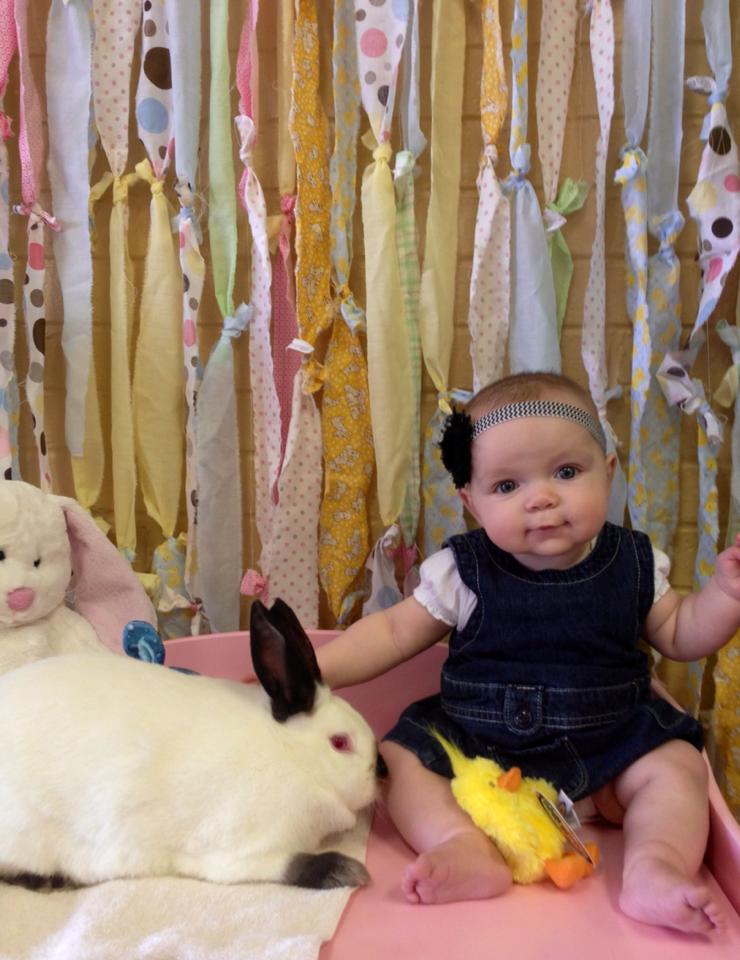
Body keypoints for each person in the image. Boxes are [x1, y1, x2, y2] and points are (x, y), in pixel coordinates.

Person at [316, 371, 740, 935]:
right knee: (398, 757)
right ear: (471, 502)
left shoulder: (634, 563)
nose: (541, 498)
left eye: (566, 472)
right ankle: (461, 844)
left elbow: (683, 634)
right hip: (481, 762)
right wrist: (313, 670)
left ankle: (653, 866)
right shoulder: (461, 572)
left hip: (611, 756)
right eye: (507, 486)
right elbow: (392, 633)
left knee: (678, 765)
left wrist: (724, 596)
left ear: (608, 472)